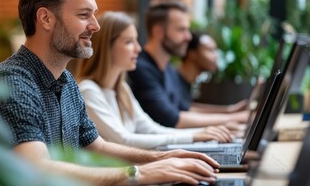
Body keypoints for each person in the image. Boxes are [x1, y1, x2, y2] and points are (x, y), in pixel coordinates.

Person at [0, 0, 220, 185]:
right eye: (83, 15)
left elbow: (96, 147)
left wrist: (162, 157)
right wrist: (140, 173)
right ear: (46, 19)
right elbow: (35, 168)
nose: (95, 26)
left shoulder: (66, 82)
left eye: (94, 15)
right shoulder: (13, 82)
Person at [76, 11, 233, 150]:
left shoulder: (122, 89)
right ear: (107, 47)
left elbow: (151, 129)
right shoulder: (88, 90)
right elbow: (124, 140)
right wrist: (194, 136)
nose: (138, 49)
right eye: (129, 42)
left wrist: (201, 133)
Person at [128, 0, 249, 129]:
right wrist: (237, 118)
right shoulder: (141, 68)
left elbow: (186, 109)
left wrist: (230, 111)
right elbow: (173, 119)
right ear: (158, 32)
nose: (188, 37)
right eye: (181, 30)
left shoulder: (167, 68)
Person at [175, 31, 248, 114]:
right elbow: (182, 112)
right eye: (210, 50)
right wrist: (233, 115)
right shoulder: (172, 80)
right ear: (192, 54)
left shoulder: (186, 81)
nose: (216, 55)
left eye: (215, 50)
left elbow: (188, 107)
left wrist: (231, 110)